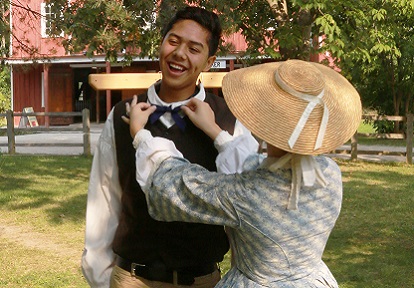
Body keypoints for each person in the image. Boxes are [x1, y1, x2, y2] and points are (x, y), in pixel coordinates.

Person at [126, 59, 362, 287]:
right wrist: (214, 130)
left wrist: (141, 135)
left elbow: (174, 185)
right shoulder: (330, 174)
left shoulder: (248, 194)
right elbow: (263, 165)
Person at [81, 6, 258, 288]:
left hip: (202, 281)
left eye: (194, 48)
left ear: (209, 61)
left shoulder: (228, 120)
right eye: (173, 41)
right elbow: (104, 198)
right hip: (131, 279)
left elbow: (245, 210)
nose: (179, 53)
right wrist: (101, 275)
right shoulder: (121, 114)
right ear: (161, 44)